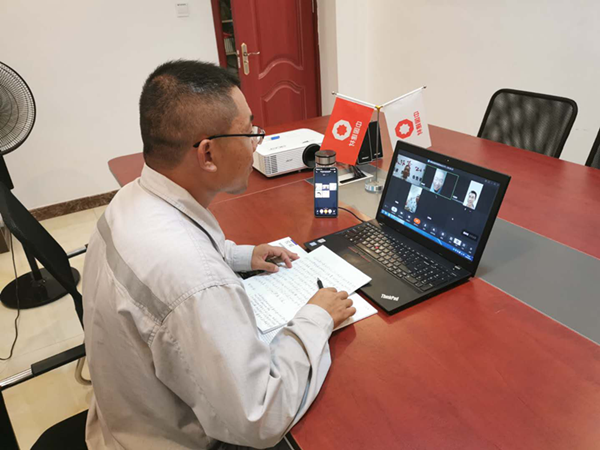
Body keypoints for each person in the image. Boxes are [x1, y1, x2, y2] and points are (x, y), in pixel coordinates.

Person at [82, 60, 356, 450]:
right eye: (249, 132)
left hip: (125, 417)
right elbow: (260, 418)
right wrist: (316, 318)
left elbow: (174, 263)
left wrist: (241, 256)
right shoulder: (193, 277)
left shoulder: (131, 199)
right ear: (208, 154)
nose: (256, 143)